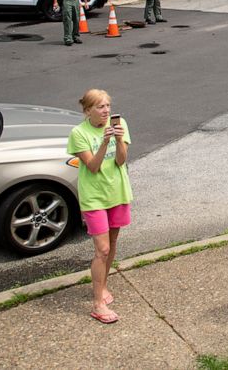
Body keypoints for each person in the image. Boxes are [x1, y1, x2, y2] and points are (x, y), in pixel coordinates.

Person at [67, 89, 131, 324]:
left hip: (117, 191)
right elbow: (92, 167)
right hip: (94, 196)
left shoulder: (119, 124)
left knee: (113, 243)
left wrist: (117, 140)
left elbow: (121, 160)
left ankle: (102, 286)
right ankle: (97, 304)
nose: (106, 111)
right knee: (101, 249)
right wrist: (104, 142)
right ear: (87, 111)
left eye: (108, 106)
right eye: (100, 107)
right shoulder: (79, 133)